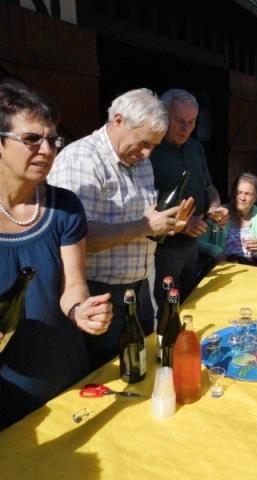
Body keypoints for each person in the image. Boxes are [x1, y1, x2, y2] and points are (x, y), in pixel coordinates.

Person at [48, 88, 193, 369]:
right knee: (110, 374)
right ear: (118, 121)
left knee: (145, 365)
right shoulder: (81, 160)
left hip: (140, 288)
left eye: (154, 145)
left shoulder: (141, 161)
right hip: (98, 295)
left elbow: (143, 224)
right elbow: (77, 238)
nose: (148, 152)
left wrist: (166, 227)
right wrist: (146, 225)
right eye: (143, 142)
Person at [0, 85, 113, 428]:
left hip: (66, 375)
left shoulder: (64, 207)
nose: (47, 150)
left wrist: (80, 311)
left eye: (53, 140)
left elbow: (73, 283)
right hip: (9, 391)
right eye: (32, 139)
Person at [150, 89, 227, 313]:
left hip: (193, 243)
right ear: (164, 116)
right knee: (166, 310)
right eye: (180, 121)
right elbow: (140, 204)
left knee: (191, 304)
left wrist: (215, 207)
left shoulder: (195, 147)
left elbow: (208, 186)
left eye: (192, 121)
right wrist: (180, 223)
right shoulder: (149, 151)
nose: (186, 128)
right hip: (162, 249)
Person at [198, 172, 257, 267]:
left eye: (247, 194)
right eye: (238, 192)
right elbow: (198, 242)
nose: (242, 198)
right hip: (225, 267)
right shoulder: (219, 213)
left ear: (256, 197)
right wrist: (215, 251)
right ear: (232, 193)